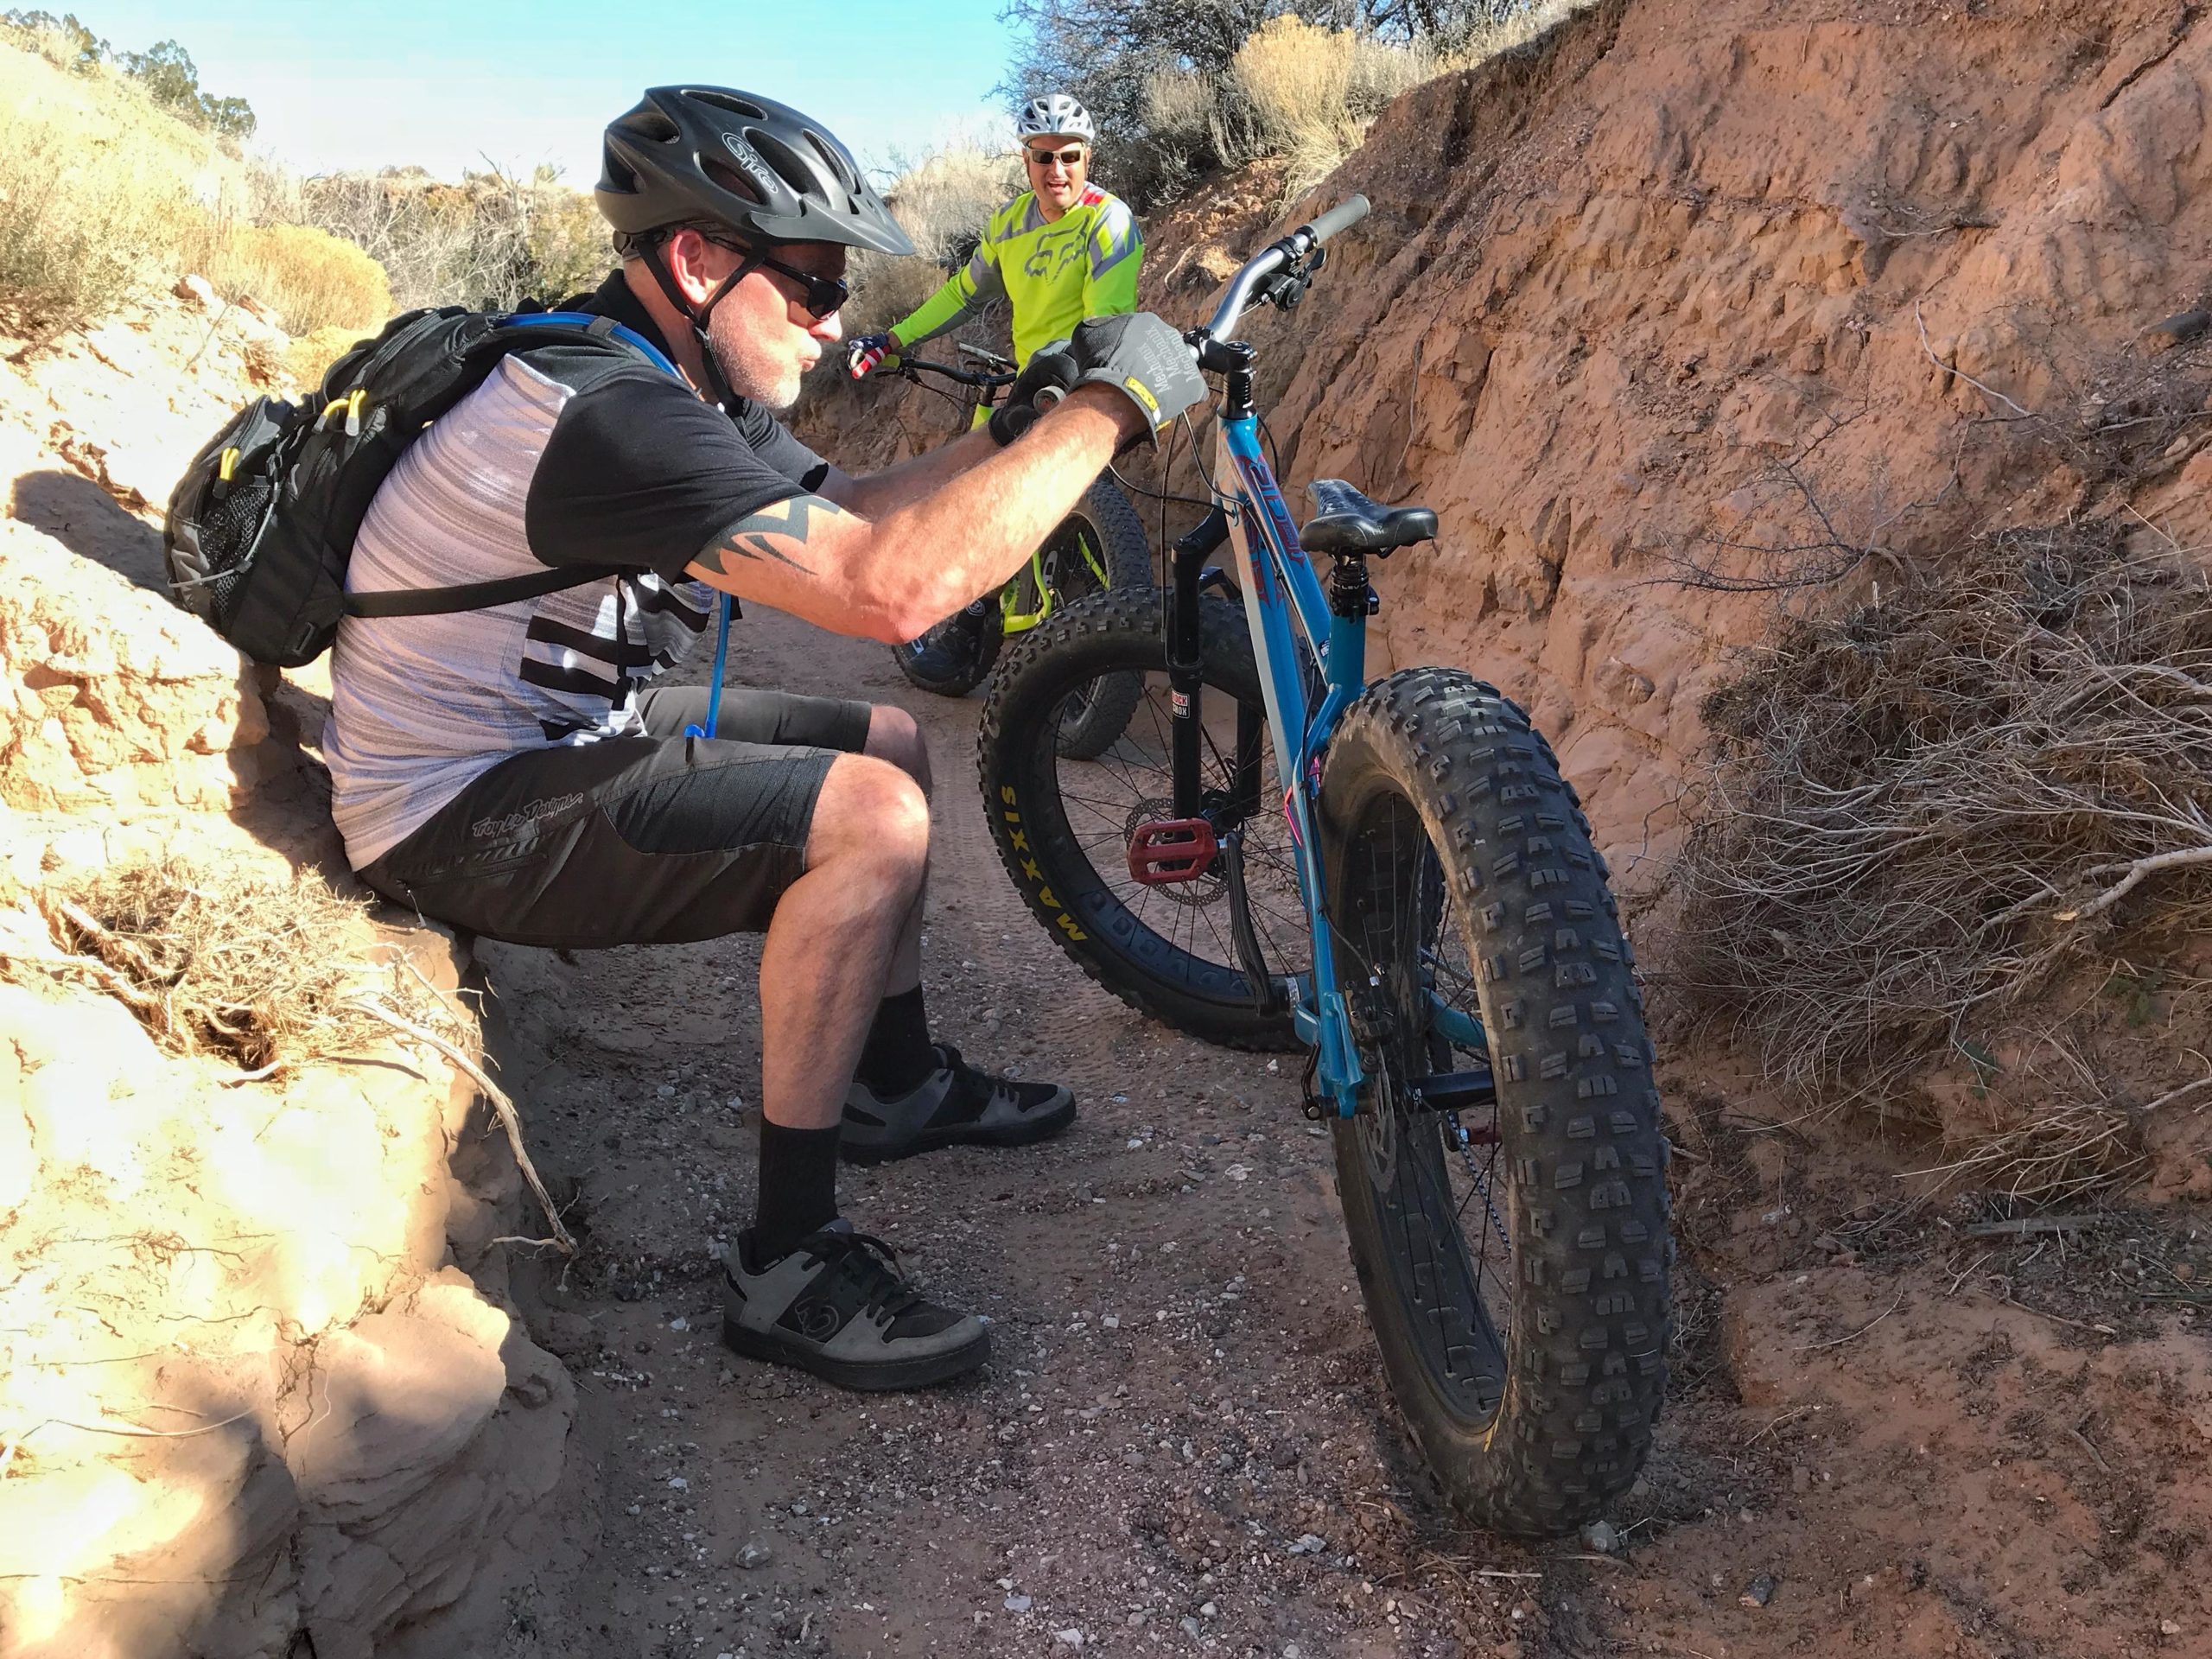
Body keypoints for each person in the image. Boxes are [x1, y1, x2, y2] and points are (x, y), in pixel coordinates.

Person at [321, 86, 1205, 1391]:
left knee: (888, 742)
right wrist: (1113, 411)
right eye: (811, 284)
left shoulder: (655, 368)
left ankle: (892, 1087)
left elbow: (852, 505)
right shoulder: (614, 420)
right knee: (873, 819)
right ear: (696, 258)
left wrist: (1014, 426)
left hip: (554, 730)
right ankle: (789, 1257)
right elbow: (891, 587)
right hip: (459, 805)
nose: (838, 317)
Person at [845, 92, 1143, 384]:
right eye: (1043, 157)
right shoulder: (1008, 223)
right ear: (1025, 159)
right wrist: (890, 340)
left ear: (1086, 158)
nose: (1057, 171)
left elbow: (1103, 328)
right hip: (1033, 382)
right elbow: (962, 296)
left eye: (1070, 157)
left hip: (1084, 384)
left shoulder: (1108, 219)